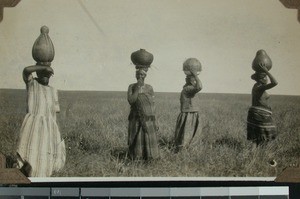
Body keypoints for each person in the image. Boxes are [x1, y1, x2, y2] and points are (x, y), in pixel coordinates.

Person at [15, 26, 66, 177]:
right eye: (43, 74)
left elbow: (55, 115)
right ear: (37, 72)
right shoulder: (32, 84)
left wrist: (59, 136)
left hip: (48, 129)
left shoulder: (52, 91)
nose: (46, 77)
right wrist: (42, 66)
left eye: (48, 75)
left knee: (44, 159)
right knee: (28, 158)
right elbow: (26, 71)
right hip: (32, 127)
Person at [127, 67, 159, 161]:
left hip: (148, 117)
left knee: (147, 137)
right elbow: (131, 100)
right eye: (138, 74)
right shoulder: (131, 86)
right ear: (135, 75)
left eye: (142, 74)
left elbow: (153, 104)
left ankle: (149, 158)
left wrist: (156, 120)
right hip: (135, 117)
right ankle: (137, 158)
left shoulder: (149, 87)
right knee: (136, 136)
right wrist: (137, 88)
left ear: (145, 75)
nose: (139, 76)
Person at [174, 59, 202, 152]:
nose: (194, 81)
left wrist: (194, 76)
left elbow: (198, 87)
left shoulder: (187, 88)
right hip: (189, 114)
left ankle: (185, 150)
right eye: (193, 80)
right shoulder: (188, 89)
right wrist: (195, 75)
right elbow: (199, 87)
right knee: (188, 134)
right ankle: (185, 150)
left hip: (190, 113)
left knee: (187, 133)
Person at [247, 63, 278, 145]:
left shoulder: (258, 86)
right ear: (260, 79)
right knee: (264, 137)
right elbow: (275, 82)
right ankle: (259, 156)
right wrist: (266, 71)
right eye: (265, 77)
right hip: (260, 114)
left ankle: (256, 156)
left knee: (258, 139)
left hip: (258, 113)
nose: (267, 79)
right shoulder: (258, 87)